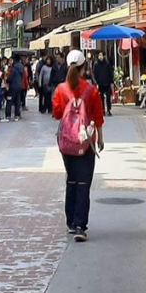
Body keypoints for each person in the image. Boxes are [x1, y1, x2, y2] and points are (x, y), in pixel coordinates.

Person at [52, 50, 104, 243]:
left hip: (66, 142)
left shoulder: (60, 89)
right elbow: (98, 116)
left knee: (71, 180)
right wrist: (100, 139)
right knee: (84, 183)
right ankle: (81, 226)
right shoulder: (91, 90)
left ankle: (71, 222)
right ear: (85, 68)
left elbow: (57, 113)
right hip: (86, 140)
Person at [92, 51, 114, 117]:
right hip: (100, 83)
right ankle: (103, 110)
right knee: (101, 98)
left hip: (107, 83)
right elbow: (94, 73)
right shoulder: (96, 64)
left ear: (104, 56)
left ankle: (109, 110)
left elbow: (110, 73)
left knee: (108, 97)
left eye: (101, 55)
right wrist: (95, 82)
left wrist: (111, 82)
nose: (100, 57)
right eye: (99, 55)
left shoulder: (107, 64)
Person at [6, 54, 24, 121]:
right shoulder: (21, 67)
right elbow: (22, 77)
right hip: (19, 86)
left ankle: (8, 115)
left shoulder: (13, 68)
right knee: (17, 101)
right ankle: (17, 115)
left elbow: (10, 78)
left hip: (12, 86)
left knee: (9, 101)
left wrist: (7, 80)